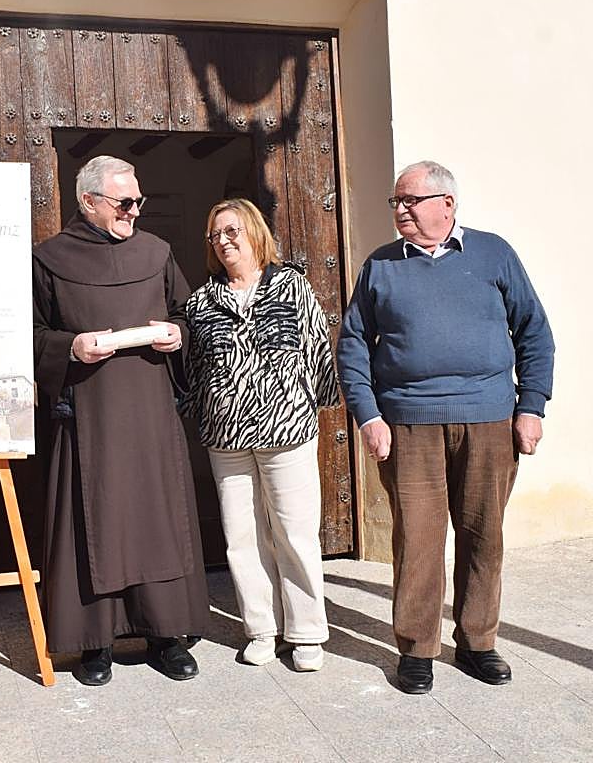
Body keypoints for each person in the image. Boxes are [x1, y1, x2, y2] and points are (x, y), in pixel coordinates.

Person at [337, 160, 554, 694]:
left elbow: (534, 332)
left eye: (410, 200)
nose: (401, 211)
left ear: (446, 204)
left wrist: (532, 407)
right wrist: (368, 414)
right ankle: (417, 649)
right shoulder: (380, 266)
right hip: (409, 423)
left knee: (484, 535)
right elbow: (352, 345)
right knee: (418, 539)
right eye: (396, 203)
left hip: (489, 419)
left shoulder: (493, 253)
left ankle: (479, 642)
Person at [32, 155, 211, 686]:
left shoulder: (156, 252)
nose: (135, 210)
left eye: (138, 201)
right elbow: (30, 333)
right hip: (88, 417)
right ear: (88, 202)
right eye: (124, 202)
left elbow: (185, 311)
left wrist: (178, 333)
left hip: (151, 415)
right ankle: (96, 644)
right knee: (93, 521)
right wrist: (71, 347)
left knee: (157, 518)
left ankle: (166, 636)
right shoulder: (48, 258)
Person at [181, 198, 338, 672]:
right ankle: (262, 627)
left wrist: (319, 402)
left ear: (254, 231)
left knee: (294, 533)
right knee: (242, 536)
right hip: (226, 436)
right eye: (215, 235)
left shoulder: (292, 286)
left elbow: (316, 346)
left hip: (286, 428)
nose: (224, 241)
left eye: (232, 231)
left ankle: (307, 632)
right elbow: (191, 369)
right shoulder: (200, 300)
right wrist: (193, 412)